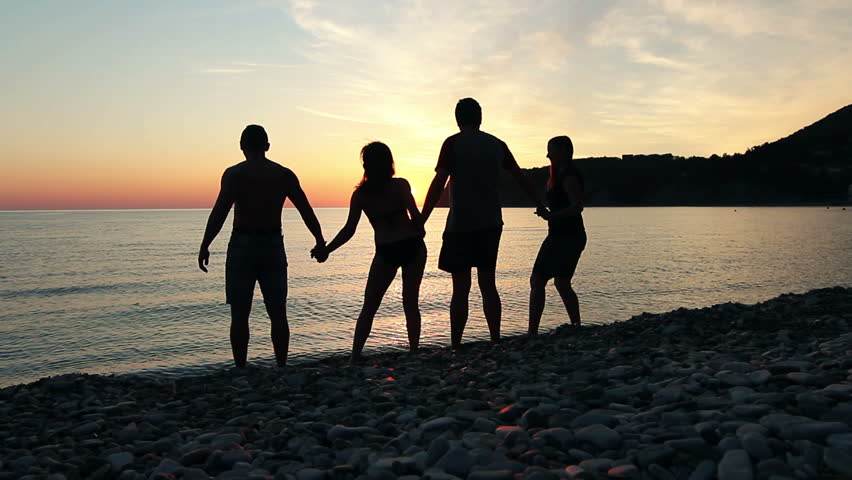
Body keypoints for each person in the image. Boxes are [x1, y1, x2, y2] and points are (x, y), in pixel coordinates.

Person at [421, 98, 546, 350]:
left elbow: (438, 183)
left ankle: (456, 344)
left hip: (461, 224)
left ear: (457, 118)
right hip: (491, 222)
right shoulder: (496, 144)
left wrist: (421, 219)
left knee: (461, 288)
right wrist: (539, 203)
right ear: (480, 117)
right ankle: (495, 339)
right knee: (488, 283)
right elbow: (520, 176)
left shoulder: (452, 143)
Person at [197, 125, 326, 368]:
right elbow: (305, 209)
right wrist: (319, 241)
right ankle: (281, 366)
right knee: (277, 311)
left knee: (240, 313)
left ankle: (241, 368)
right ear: (267, 146)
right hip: (272, 244)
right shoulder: (283, 174)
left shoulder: (234, 174)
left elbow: (220, 212)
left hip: (242, 244)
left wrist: (205, 244)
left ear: (242, 147)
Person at [312, 142, 427, 363]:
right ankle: (414, 351)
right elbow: (417, 219)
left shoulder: (361, 195)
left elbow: (348, 230)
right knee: (410, 302)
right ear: (389, 163)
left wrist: (327, 250)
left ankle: (355, 356)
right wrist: (419, 228)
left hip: (386, 250)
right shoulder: (401, 186)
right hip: (412, 246)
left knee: (370, 305)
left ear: (366, 165)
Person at [528, 135, 586, 335]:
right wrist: (548, 214)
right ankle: (576, 325)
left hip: (567, 236)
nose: (547, 155)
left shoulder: (568, 175)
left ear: (562, 152)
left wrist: (552, 216)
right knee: (561, 282)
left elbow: (577, 206)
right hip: (564, 234)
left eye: (550, 151)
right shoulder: (558, 175)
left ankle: (533, 332)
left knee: (538, 280)